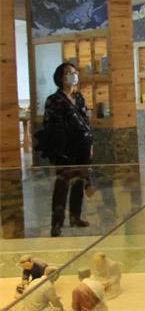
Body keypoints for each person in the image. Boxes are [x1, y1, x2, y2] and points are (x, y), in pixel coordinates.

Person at [43, 63, 93, 237]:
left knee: (79, 181)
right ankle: (57, 223)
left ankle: (75, 217)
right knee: (62, 183)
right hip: (64, 148)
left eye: (75, 72)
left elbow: (86, 121)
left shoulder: (79, 98)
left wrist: (90, 145)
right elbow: (50, 125)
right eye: (69, 73)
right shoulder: (54, 100)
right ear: (61, 77)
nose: (73, 75)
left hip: (82, 146)